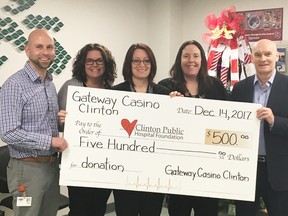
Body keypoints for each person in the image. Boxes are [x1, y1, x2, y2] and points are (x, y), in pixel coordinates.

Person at [0, 29, 68, 216]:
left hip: (52, 167)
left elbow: (41, 123)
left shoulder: (49, 84)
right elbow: (8, 132)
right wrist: (51, 141)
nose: (45, 52)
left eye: (50, 47)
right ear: (27, 50)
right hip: (27, 170)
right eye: (39, 47)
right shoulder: (14, 85)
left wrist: (60, 120)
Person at [158, 40, 226, 216]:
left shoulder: (216, 86)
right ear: (179, 60)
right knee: (178, 211)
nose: (191, 60)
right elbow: (158, 123)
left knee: (208, 211)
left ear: (202, 59)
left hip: (209, 168)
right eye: (186, 56)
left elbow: (226, 123)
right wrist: (168, 104)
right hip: (177, 168)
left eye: (196, 56)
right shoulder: (166, 86)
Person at [57, 43, 117, 216]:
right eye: (89, 60)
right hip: (77, 162)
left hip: (104, 164)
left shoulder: (112, 91)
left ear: (106, 64)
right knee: (79, 209)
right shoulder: (71, 87)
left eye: (99, 60)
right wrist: (62, 119)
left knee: (98, 208)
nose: (94, 64)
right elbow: (58, 124)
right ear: (82, 64)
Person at [231, 39, 288, 216]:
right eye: (258, 54)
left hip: (278, 171)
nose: (263, 58)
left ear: (277, 56)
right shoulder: (240, 88)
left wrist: (274, 120)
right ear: (252, 58)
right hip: (245, 168)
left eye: (268, 54)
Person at [112, 43, 170, 216]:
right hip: (124, 172)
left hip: (154, 173)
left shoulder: (165, 94)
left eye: (146, 61)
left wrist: (177, 104)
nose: (141, 65)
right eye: (136, 61)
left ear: (152, 64)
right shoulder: (114, 94)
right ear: (128, 65)